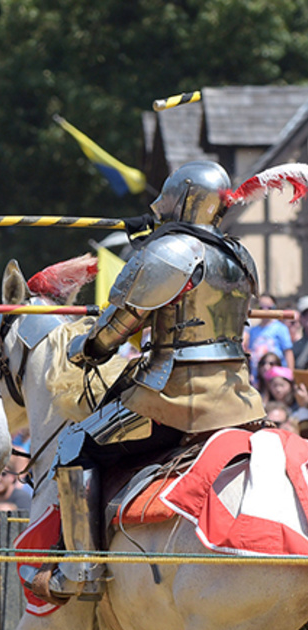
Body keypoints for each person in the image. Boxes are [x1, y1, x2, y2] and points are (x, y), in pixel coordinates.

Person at [22, 160, 267, 602]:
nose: (158, 204)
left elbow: (117, 328)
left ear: (186, 198)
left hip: (175, 397)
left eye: (167, 197)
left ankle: (78, 573)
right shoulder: (238, 255)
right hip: (240, 397)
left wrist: (86, 349)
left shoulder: (171, 252)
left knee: (74, 445)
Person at [245, 293, 295, 382]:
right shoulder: (253, 330)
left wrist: (290, 375)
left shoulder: (281, 328)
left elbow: (288, 352)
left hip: (276, 376)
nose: (265, 311)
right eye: (261, 308)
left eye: (269, 308)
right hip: (257, 377)